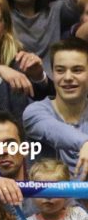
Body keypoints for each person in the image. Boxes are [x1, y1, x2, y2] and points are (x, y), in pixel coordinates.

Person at [24, 37, 88, 178]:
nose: (68, 77)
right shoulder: (35, 112)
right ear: (52, 73)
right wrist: (85, 143)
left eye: (77, 70)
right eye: (60, 70)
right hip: (48, 198)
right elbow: (54, 130)